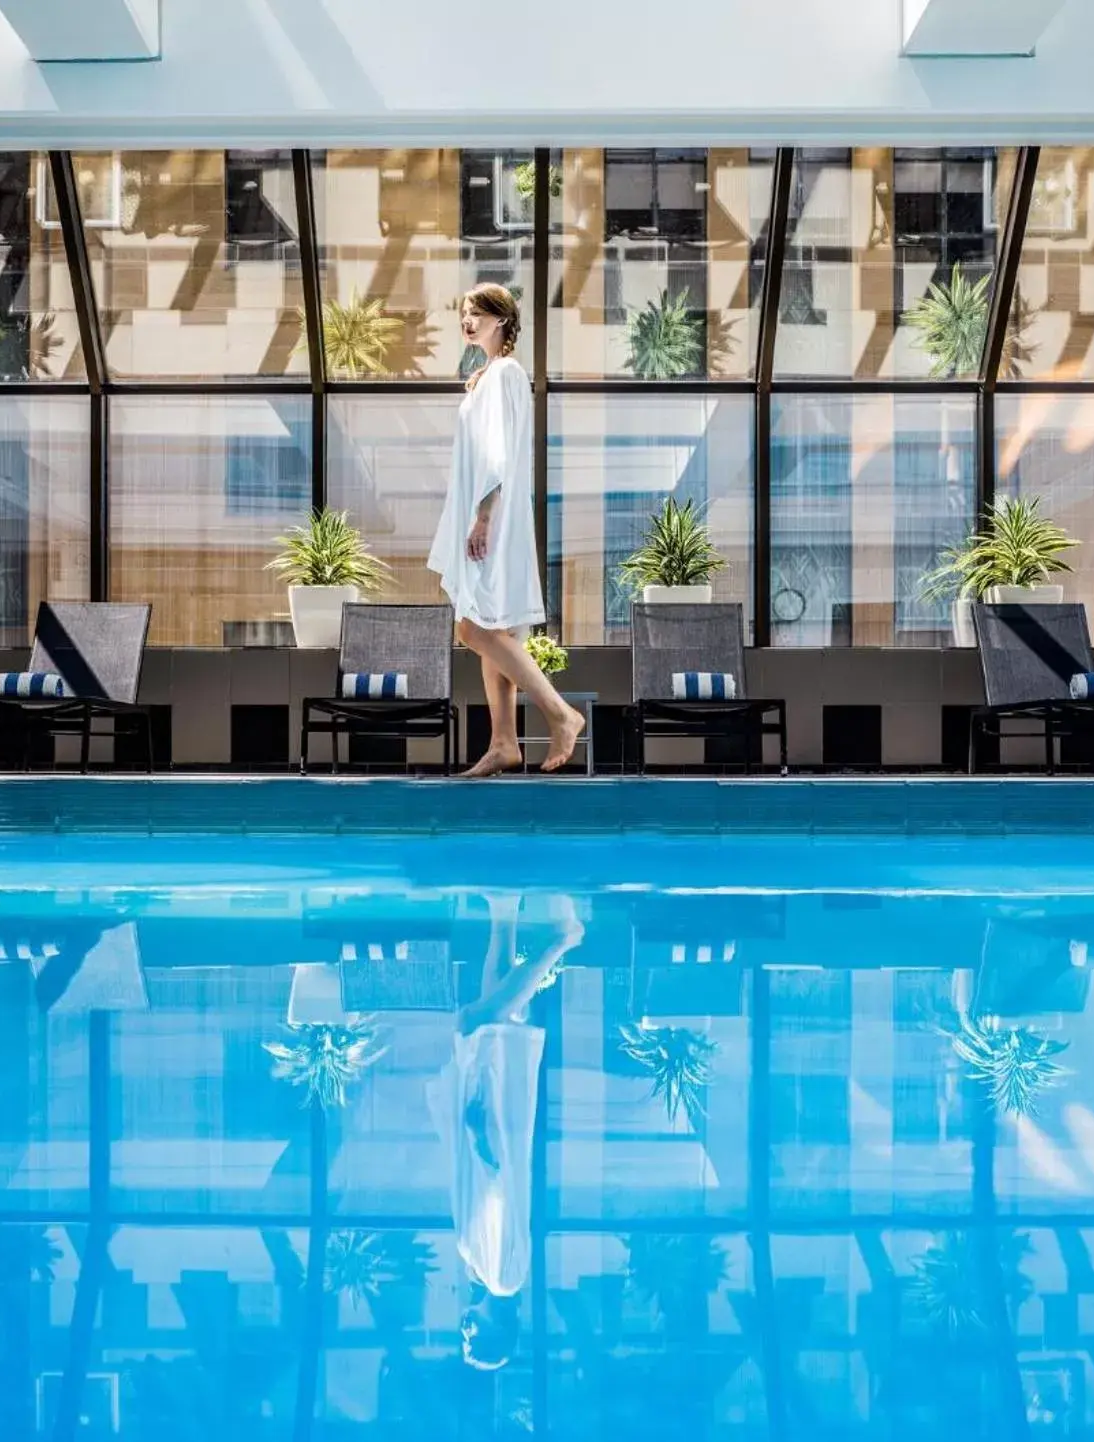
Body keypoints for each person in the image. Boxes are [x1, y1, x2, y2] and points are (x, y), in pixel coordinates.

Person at [428, 283, 585, 777]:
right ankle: (503, 742)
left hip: (491, 516)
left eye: (478, 313)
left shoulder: (503, 373)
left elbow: (499, 453)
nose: (468, 321)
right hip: (491, 514)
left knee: (473, 626)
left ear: (501, 319)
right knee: (492, 626)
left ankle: (561, 715)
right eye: (464, 313)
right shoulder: (491, 375)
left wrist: (483, 515)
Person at [428, 891, 584, 1370]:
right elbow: (497, 1199)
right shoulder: (501, 1277)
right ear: (495, 1329)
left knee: (490, 1024)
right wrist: (478, 1137)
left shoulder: (491, 1276)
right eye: (472, 1341)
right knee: (477, 1022)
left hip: (493, 1140)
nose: (464, 1332)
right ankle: (562, 942)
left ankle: (504, 911)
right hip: (492, 1137)